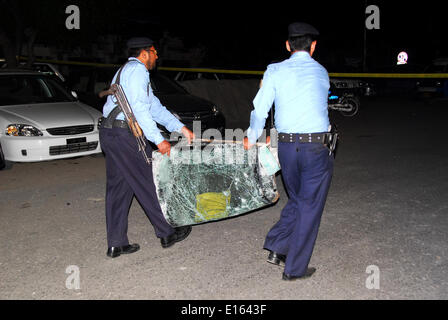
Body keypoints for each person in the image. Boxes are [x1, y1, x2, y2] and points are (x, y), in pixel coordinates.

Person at [244, 22, 335, 280]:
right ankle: (295, 268)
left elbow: (260, 109)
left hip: (286, 147)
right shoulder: (322, 72)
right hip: (315, 147)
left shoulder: (274, 70)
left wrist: (251, 137)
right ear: (313, 46)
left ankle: (277, 245)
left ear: (287, 45)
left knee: (297, 199)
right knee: (309, 206)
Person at [99, 37, 195, 258]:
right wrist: (158, 140)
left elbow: (155, 107)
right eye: (155, 52)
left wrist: (180, 128)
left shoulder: (125, 71)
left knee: (119, 188)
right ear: (145, 53)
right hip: (125, 134)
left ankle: (116, 243)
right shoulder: (139, 71)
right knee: (148, 180)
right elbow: (141, 110)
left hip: (110, 132)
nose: (157, 56)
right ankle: (166, 232)